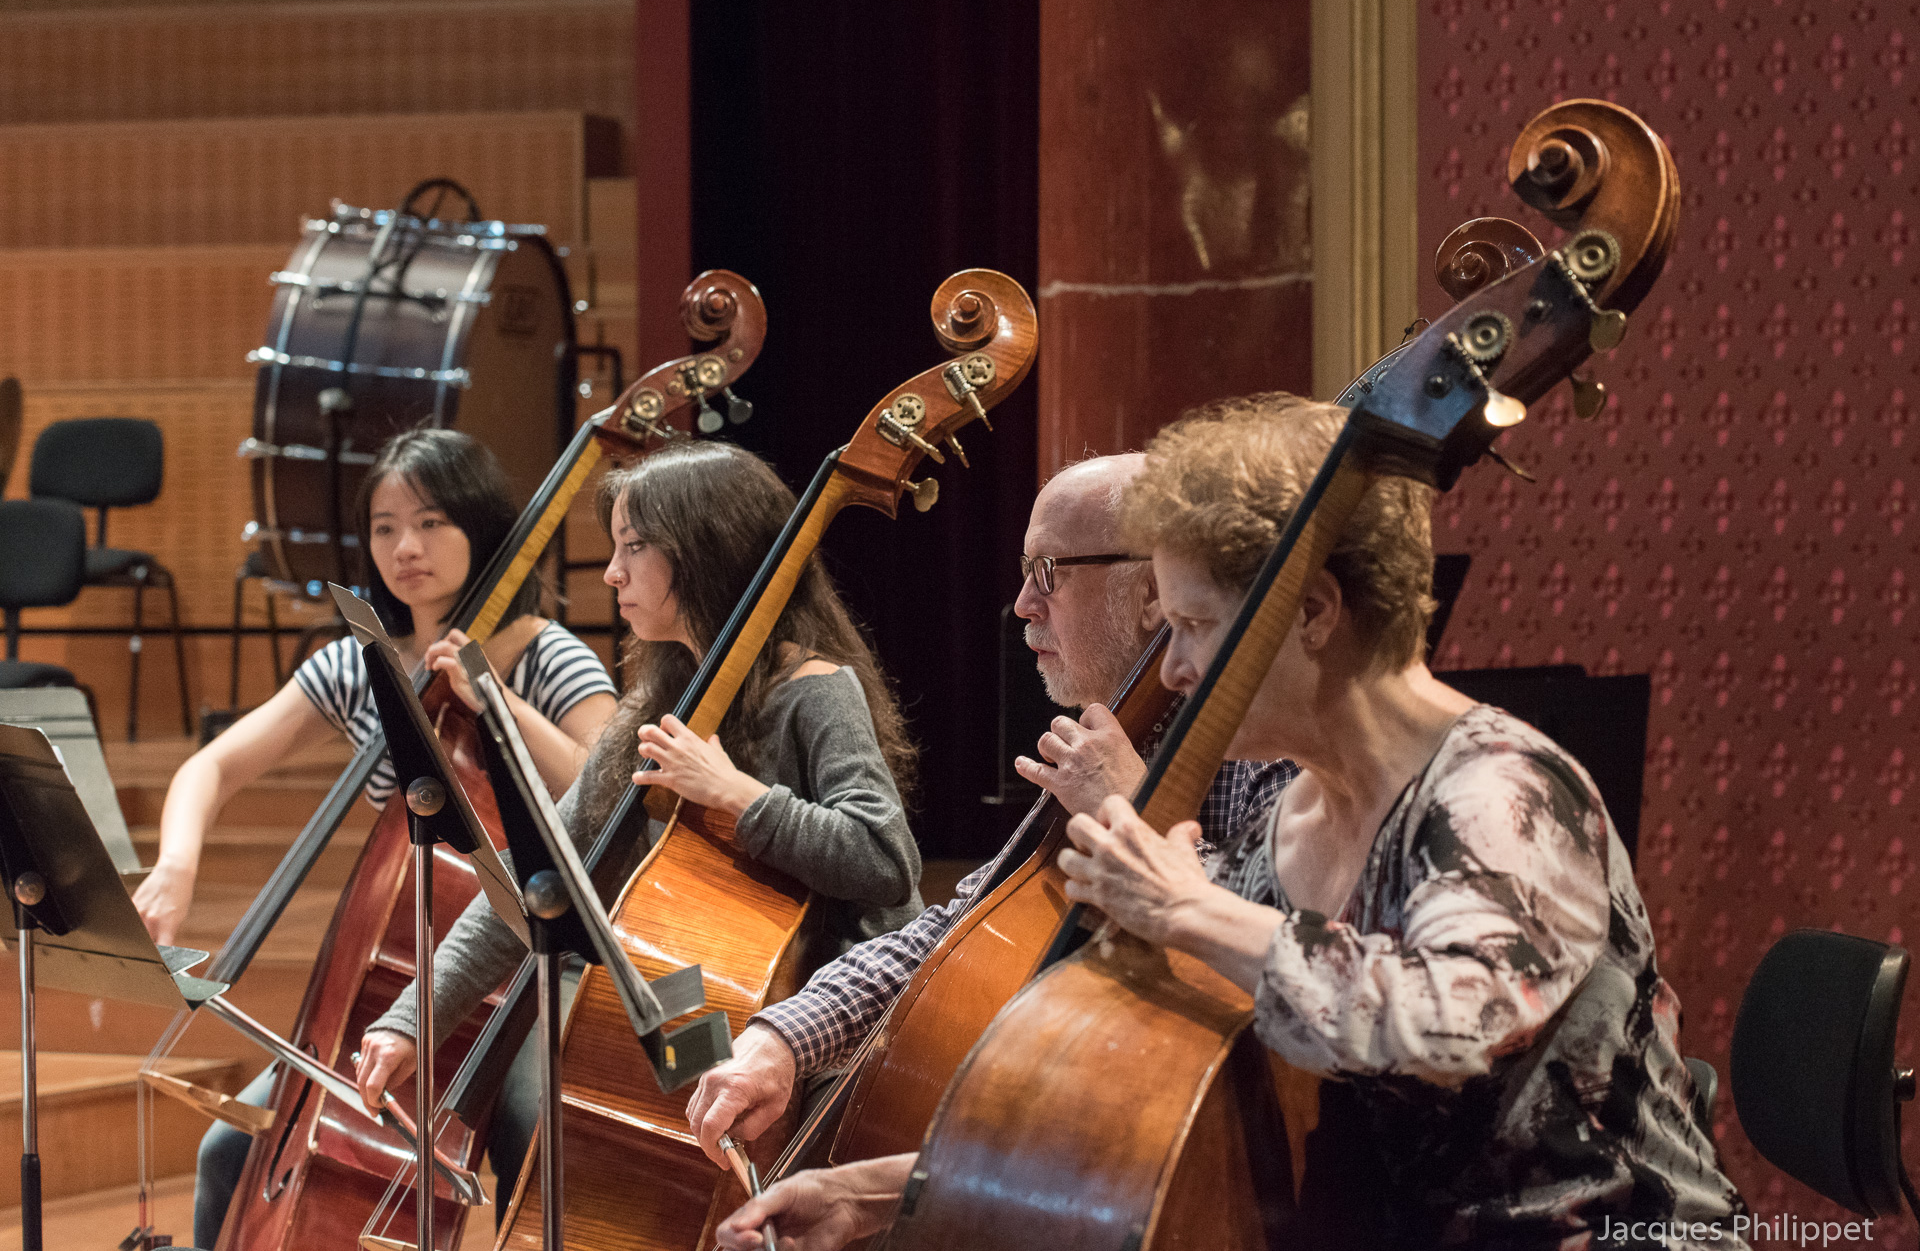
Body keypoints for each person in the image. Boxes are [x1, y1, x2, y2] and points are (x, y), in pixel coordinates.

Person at [713, 397, 1747, 1251]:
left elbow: (1446, 1027)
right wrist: (878, 1192)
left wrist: (1190, 906)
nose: (1171, 669)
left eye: (1196, 625)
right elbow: (1185, 1105)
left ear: (1313, 613)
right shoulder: (1290, 812)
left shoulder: (1502, 790)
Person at [352, 438, 927, 1203]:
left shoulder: (816, 689)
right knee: (604, 1126)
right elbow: (544, 873)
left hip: (835, 1034)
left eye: (633, 547)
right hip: (718, 998)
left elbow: (886, 860)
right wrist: (411, 1021)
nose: (612, 572)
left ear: (701, 552)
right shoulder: (655, 705)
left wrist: (738, 795)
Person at [684, 452, 1296, 1168]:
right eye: (1024, 571)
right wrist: (784, 1037)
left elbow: (1292, 964)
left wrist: (1133, 811)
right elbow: (962, 926)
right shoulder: (1113, 734)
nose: (1024, 604)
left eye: (1048, 573)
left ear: (1152, 591)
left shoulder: (1267, 744)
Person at [159, 428, 619, 1251]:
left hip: (530, 972)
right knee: (229, 1150)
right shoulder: (356, 667)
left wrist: (498, 702)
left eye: (431, 522)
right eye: (385, 527)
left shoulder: (546, 655)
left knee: (532, 1136)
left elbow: (609, 787)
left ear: (480, 527)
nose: (406, 547)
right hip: (396, 985)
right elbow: (213, 766)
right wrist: (175, 866)